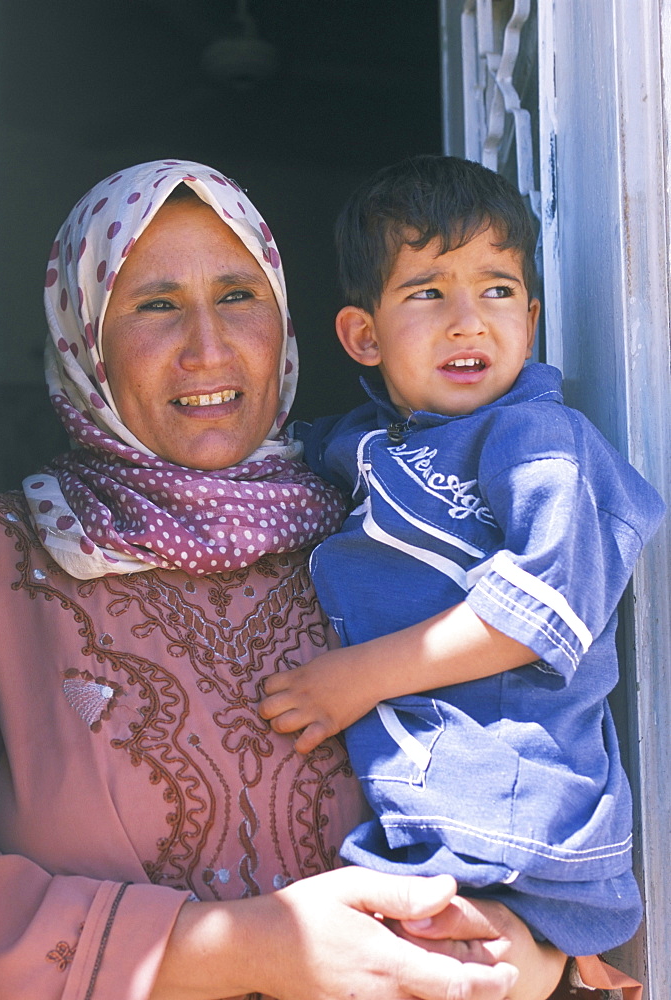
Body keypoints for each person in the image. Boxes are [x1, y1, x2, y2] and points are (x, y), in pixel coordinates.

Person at [0, 157, 574, 1000]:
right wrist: (246, 949)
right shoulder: (16, 564)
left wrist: (535, 944)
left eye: (238, 297)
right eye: (155, 305)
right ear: (84, 337)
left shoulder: (390, 523)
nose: (208, 347)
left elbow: (553, 744)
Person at [259, 156, 666, 957]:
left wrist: (359, 677)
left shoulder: (541, 443)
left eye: (497, 289)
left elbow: (537, 615)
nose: (468, 320)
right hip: (428, 795)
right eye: (428, 292)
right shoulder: (365, 444)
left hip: (513, 795)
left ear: (532, 317)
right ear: (362, 336)